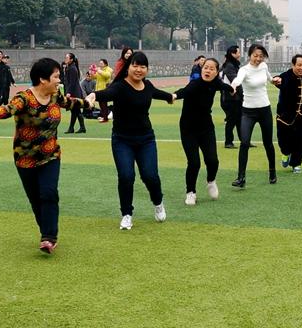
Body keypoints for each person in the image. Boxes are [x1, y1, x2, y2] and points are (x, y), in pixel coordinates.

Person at [0, 58, 84, 253]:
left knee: (48, 193)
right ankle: (46, 231)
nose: (59, 80)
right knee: (35, 199)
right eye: (56, 77)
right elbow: (8, 109)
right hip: (25, 158)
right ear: (43, 79)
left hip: (50, 155)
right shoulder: (24, 97)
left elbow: (70, 103)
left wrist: (88, 102)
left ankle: (49, 236)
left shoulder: (55, 96)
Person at [86, 51, 174, 230]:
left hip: (146, 139)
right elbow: (106, 93)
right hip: (122, 140)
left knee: (150, 176)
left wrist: (170, 97)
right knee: (126, 176)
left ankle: (158, 202)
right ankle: (126, 214)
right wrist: (93, 96)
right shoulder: (120, 86)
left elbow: (156, 93)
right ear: (128, 67)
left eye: (143, 66)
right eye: (135, 65)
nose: (139, 69)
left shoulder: (147, 85)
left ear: (147, 69)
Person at [173, 57, 233, 205]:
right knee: (194, 163)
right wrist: (174, 95)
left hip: (206, 127)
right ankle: (190, 192)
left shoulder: (216, 83)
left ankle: (211, 181)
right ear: (201, 69)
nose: (208, 70)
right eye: (206, 67)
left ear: (216, 72)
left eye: (212, 69)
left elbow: (224, 86)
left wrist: (232, 89)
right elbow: (183, 92)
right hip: (188, 129)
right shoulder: (195, 84)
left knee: (212, 160)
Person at [230, 43, 277, 188]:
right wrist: (233, 86)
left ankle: (272, 172)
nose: (258, 59)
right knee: (244, 143)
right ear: (249, 55)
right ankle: (241, 177)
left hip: (264, 110)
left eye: (261, 56)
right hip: (248, 111)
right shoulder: (244, 70)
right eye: (255, 56)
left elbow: (269, 78)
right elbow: (238, 80)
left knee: (268, 143)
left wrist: (275, 80)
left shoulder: (264, 66)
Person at [63, 52, 86, 134]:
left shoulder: (72, 68)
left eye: (67, 58)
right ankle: (80, 128)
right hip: (74, 91)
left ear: (71, 59)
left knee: (75, 110)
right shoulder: (70, 67)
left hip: (74, 92)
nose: (65, 59)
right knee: (75, 111)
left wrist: (68, 92)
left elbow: (72, 82)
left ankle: (73, 128)